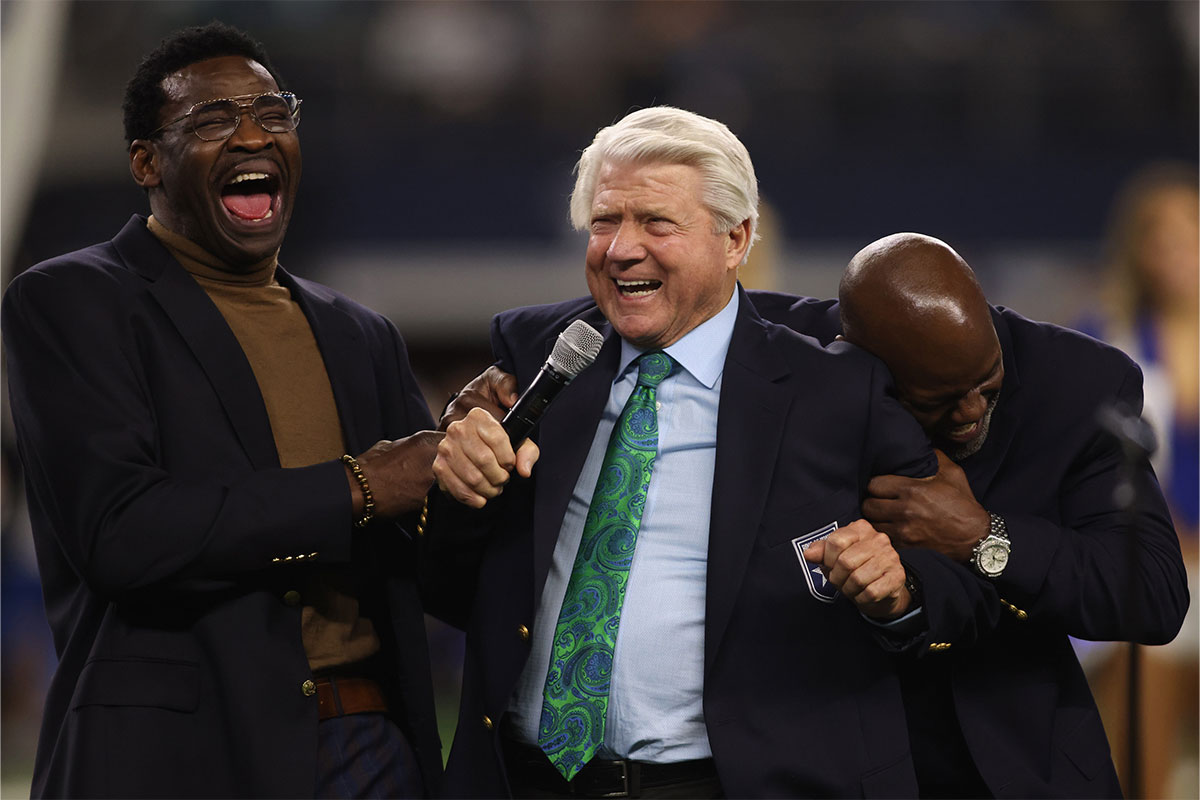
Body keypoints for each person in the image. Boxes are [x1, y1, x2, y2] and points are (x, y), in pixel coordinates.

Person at [425, 107, 1000, 798]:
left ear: (737, 240)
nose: (620, 249)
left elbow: (965, 590)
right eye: (605, 221)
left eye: (656, 223)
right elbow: (452, 586)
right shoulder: (539, 358)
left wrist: (898, 591)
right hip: (530, 780)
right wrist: (455, 492)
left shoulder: (836, 394)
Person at [3, 22, 443, 798]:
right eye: (212, 121)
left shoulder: (361, 334)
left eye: (274, 115)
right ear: (146, 161)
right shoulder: (73, 300)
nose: (252, 136)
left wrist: (473, 453)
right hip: (178, 755)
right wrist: (359, 486)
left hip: (368, 742)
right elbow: (123, 534)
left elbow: (423, 560)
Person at [750, 232, 1190, 797]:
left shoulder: (1078, 386)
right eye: (938, 397)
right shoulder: (791, 355)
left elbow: (1151, 595)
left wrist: (982, 536)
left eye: (987, 383)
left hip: (1016, 762)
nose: (971, 412)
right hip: (826, 755)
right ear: (857, 359)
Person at [1074, 163, 1199, 798]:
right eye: (1159, 234)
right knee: (1146, 647)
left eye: (1190, 231)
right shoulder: (1105, 345)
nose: (1176, 248)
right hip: (1148, 560)